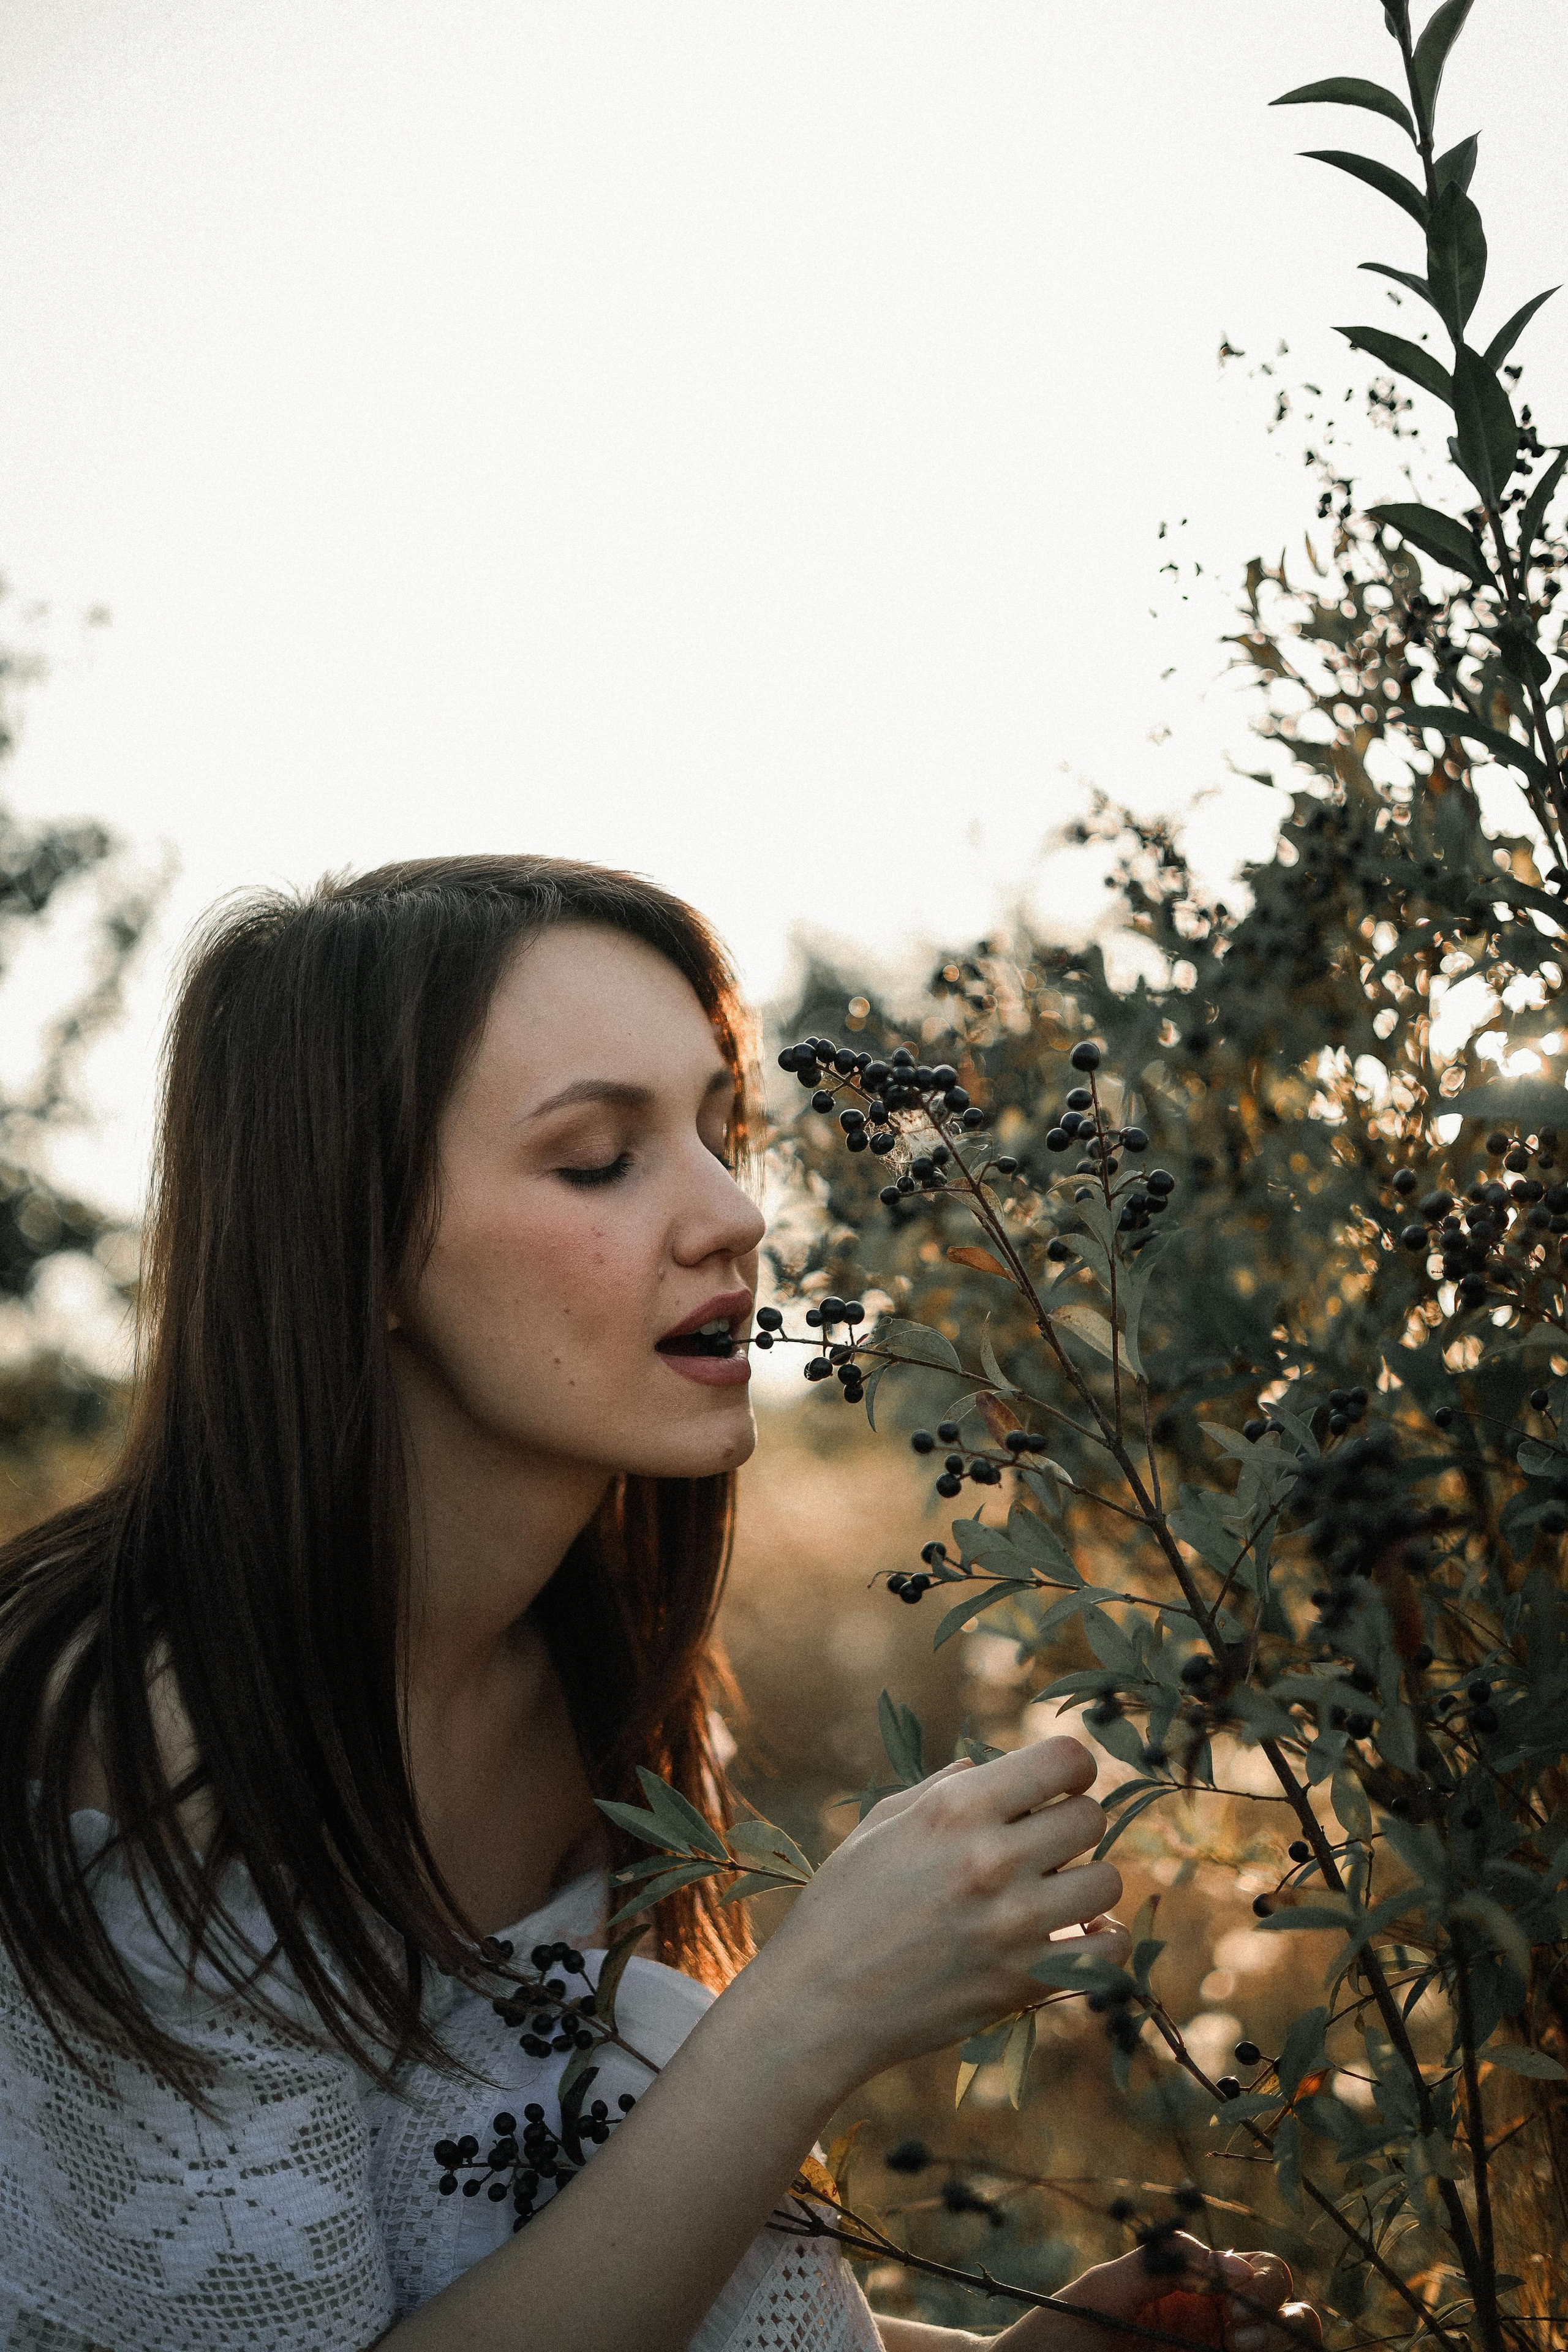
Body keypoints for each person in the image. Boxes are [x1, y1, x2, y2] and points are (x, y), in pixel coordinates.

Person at [0, 856, 1320, 2352]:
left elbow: (606, 2283)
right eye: (595, 1160)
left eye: (716, 1129)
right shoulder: (132, 1736)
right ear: (353, 1242)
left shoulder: (600, 1683)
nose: (732, 1215)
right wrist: (807, 2014)